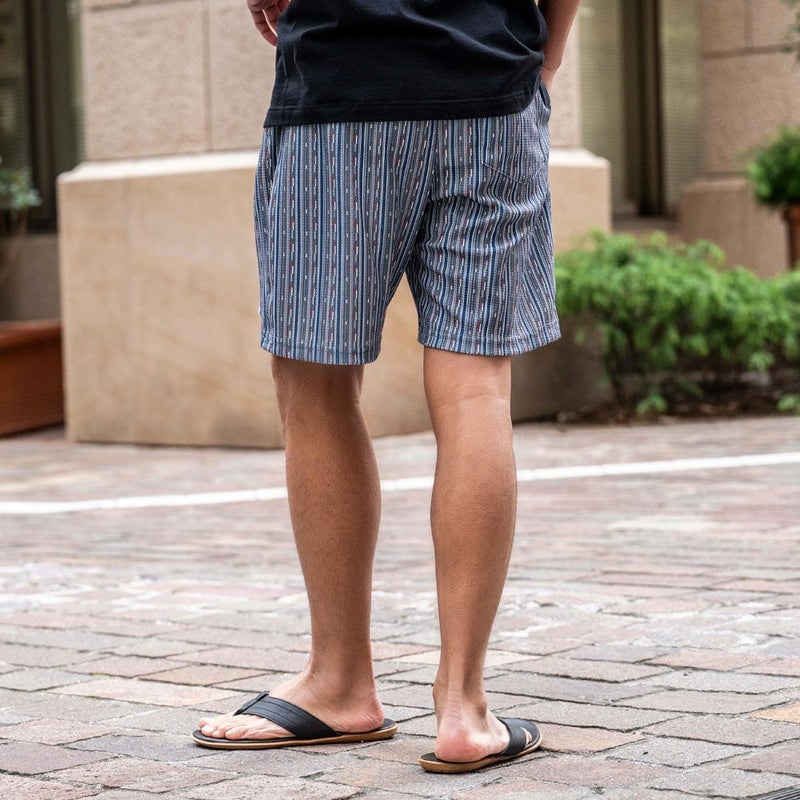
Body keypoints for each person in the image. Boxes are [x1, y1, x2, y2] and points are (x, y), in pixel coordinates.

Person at [192, 0, 580, 773]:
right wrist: (547, 53)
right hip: (489, 87)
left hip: (341, 88)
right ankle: (463, 707)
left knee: (317, 384)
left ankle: (340, 681)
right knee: (475, 387)